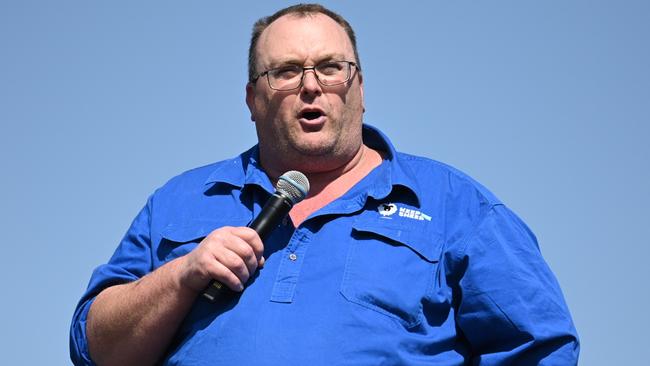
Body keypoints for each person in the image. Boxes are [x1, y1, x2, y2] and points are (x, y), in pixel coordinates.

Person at [70, 4, 579, 365]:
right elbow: (94, 347)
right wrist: (181, 276)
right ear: (252, 99)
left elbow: (541, 348)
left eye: (331, 68)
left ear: (360, 88)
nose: (311, 85)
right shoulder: (181, 201)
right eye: (286, 71)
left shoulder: (454, 206)